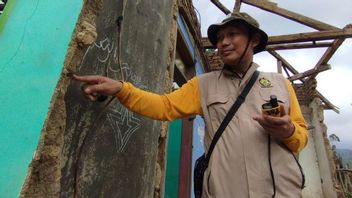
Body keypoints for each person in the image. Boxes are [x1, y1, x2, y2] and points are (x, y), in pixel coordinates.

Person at [72, 12, 308, 198]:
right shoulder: (203, 85)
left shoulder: (279, 84)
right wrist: (122, 89)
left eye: (233, 34)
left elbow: (301, 136)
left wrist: (288, 131)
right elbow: (163, 106)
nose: (223, 42)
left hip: (282, 192)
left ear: (254, 40)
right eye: (219, 38)